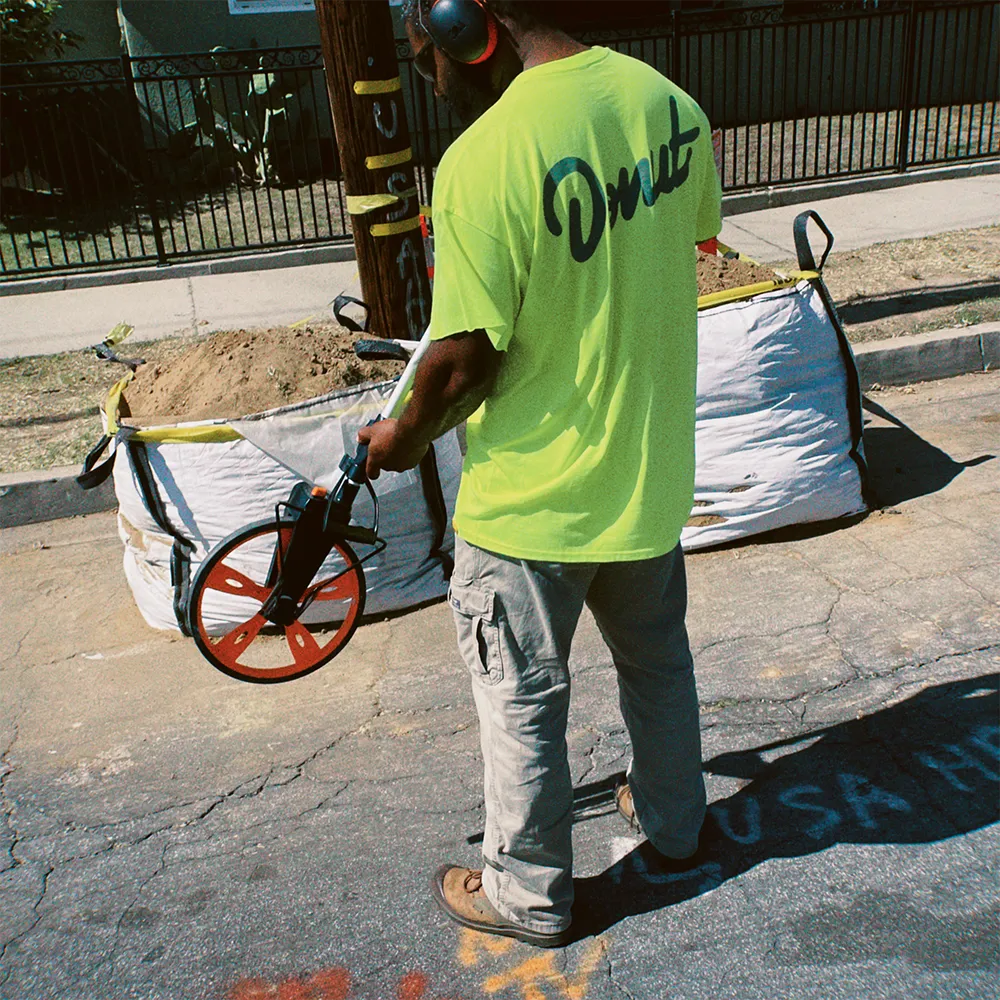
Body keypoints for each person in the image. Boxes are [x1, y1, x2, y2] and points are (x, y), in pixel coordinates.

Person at [358, 0, 722, 947]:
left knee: (521, 702)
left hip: (529, 510)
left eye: (429, 57)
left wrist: (399, 436)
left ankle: (527, 897)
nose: (433, 82)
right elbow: (676, 255)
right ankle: (679, 829)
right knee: (659, 668)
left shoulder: (483, 159)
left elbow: (465, 360)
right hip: (644, 483)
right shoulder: (674, 107)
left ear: (467, 29)